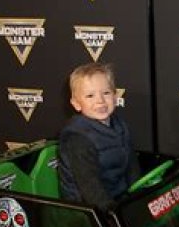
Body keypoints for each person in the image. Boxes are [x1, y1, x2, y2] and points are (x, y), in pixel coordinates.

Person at [58, 62, 139, 211]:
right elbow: (90, 188)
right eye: (90, 96)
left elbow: (132, 166)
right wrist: (111, 213)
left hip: (117, 198)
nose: (100, 100)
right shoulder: (77, 139)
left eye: (106, 93)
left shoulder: (119, 125)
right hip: (85, 210)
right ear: (76, 104)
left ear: (115, 96)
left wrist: (138, 194)